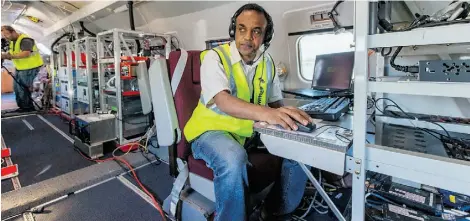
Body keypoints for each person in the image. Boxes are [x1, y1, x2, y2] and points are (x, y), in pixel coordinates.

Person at [184, 3, 311, 221]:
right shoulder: (214, 58)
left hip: (248, 131)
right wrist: (267, 115)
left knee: (300, 142)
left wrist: (290, 118)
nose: (247, 37)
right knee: (233, 159)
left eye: (256, 31)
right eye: (241, 29)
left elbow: (274, 104)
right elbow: (223, 101)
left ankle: (276, 210)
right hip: (209, 132)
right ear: (234, 31)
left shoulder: (267, 62)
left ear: (265, 36)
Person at [1, 25, 44, 111]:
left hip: (30, 67)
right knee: (16, 88)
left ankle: (27, 108)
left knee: (22, 88)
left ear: (13, 32)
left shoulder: (25, 40)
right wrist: (5, 55)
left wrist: (7, 56)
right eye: (4, 36)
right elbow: (13, 52)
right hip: (20, 68)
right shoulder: (13, 41)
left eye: (7, 35)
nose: (6, 37)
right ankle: (22, 107)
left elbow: (25, 53)